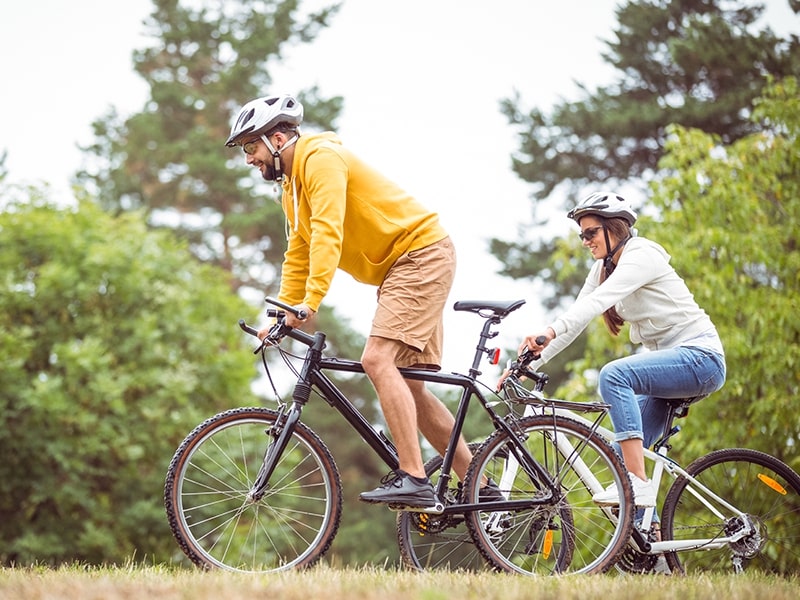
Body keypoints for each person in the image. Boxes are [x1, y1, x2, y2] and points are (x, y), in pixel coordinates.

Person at [225, 94, 489, 510]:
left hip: (419, 255)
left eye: (251, 148)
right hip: (402, 267)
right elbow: (299, 251)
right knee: (411, 386)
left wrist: (311, 302)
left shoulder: (321, 158)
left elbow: (328, 232)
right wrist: (280, 314)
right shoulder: (291, 189)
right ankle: (481, 486)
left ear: (277, 138)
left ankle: (414, 477)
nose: (248, 160)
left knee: (376, 360)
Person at [509, 191, 726, 507]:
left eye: (590, 232)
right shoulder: (601, 269)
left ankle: (635, 484)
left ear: (615, 228)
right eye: (582, 235)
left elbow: (597, 303)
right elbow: (578, 315)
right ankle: (640, 539)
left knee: (613, 376)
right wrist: (528, 366)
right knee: (618, 451)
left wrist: (548, 332)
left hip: (701, 358)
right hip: (676, 367)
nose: (585, 241)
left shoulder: (642, 255)